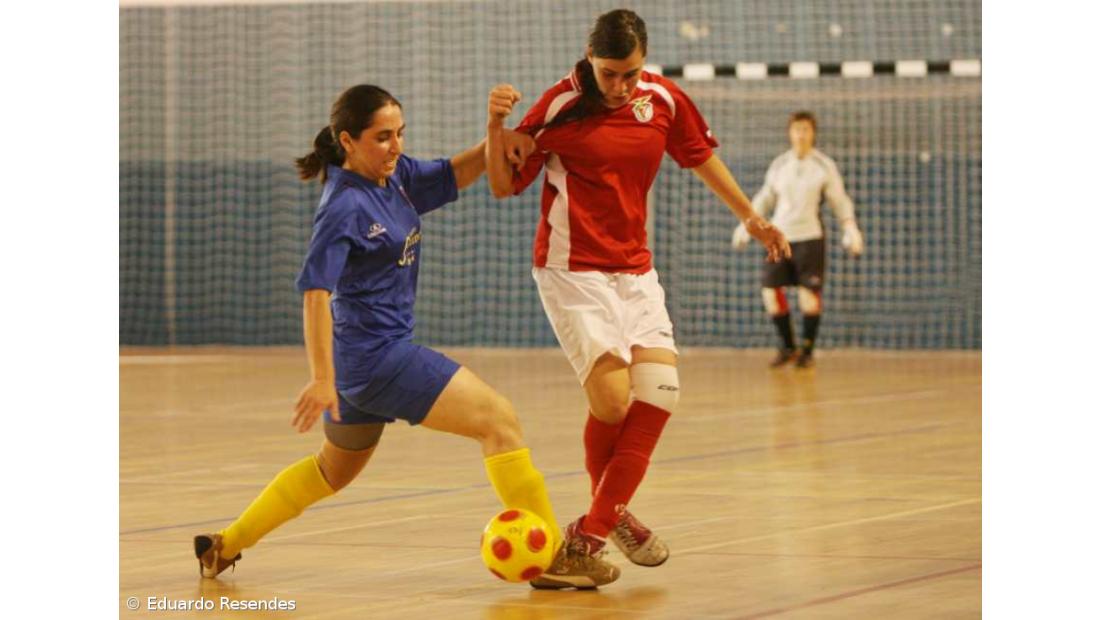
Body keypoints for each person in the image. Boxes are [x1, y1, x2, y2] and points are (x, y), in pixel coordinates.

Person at [192, 84, 620, 589]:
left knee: (333, 471)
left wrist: (495, 133)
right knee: (499, 420)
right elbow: (314, 293)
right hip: (375, 359)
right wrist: (321, 379)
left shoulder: (394, 178)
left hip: (362, 366)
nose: (395, 146)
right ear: (347, 141)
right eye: (382, 137)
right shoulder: (344, 207)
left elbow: (459, 172)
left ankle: (225, 545)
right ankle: (550, 555)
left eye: (400, 134)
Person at [484, 9, 790, 585]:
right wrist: (494, 125)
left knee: (661, 393)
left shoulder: (662, 101)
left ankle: (591, 534)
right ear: (589, 58)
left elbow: (698, 154)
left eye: (631, 73)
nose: (621, 87)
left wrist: (752, 217)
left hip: (635, 271)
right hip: (573, 272)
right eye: (609, 74)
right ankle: (613, 514)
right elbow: (503, 186)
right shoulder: (558, 106)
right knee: (613, 404)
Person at [732, 110, 864, 368]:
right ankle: (787, 347)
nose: (801, 134)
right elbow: (765, 197)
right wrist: (746, 223)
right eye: (797, 129)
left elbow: (839, 200)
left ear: (813, 133)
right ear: (789, 133)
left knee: (808, 296)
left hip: (810, 238)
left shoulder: (824, 166)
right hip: (780, 237)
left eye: (806, 129)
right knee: (770, 293)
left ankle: (807, 350)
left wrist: (850, 227)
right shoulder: (780, 165)